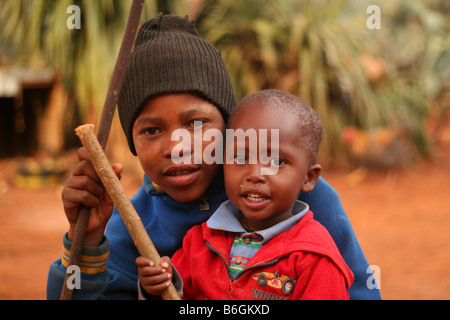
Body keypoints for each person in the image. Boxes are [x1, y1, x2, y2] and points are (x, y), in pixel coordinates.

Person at [46, 14, 381, 300]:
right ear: (132, 142)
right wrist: (85, 241)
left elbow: (361, 289)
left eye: (196, 123)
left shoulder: (295, 196)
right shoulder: (132, 226)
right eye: (151, 131)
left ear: (230, 126)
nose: (177, 146)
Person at [137, 89, 354, 299]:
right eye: (240, 158)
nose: (255, 174)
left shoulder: (314, 258)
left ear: (308, 177)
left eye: (276, 161)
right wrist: (158, 290)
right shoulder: (199, 243)